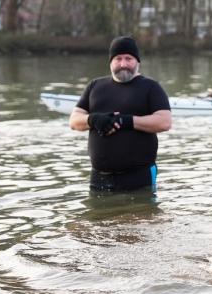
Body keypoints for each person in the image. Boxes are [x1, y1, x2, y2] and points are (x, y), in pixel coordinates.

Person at [69, 36, 172, 192]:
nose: (123, 64)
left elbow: (164, 122)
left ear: (137, 61)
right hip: (99, 178)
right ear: (111, 62)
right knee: (97, 216)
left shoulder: (151, 87)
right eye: (118, 59)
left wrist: (127, 121)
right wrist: (93, 119)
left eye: (128, 58)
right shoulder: (95, 86)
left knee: (143, 216)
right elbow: (74, 120)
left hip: (139, 177)